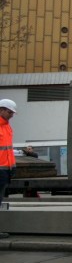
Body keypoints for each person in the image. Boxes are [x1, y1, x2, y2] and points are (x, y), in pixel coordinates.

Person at [0, 99, 18, 239]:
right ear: (1, 110)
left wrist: (13, 166)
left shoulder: (7, 127)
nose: (12, 115)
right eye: (9, 112)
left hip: (5, 170)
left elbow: (8, 150)